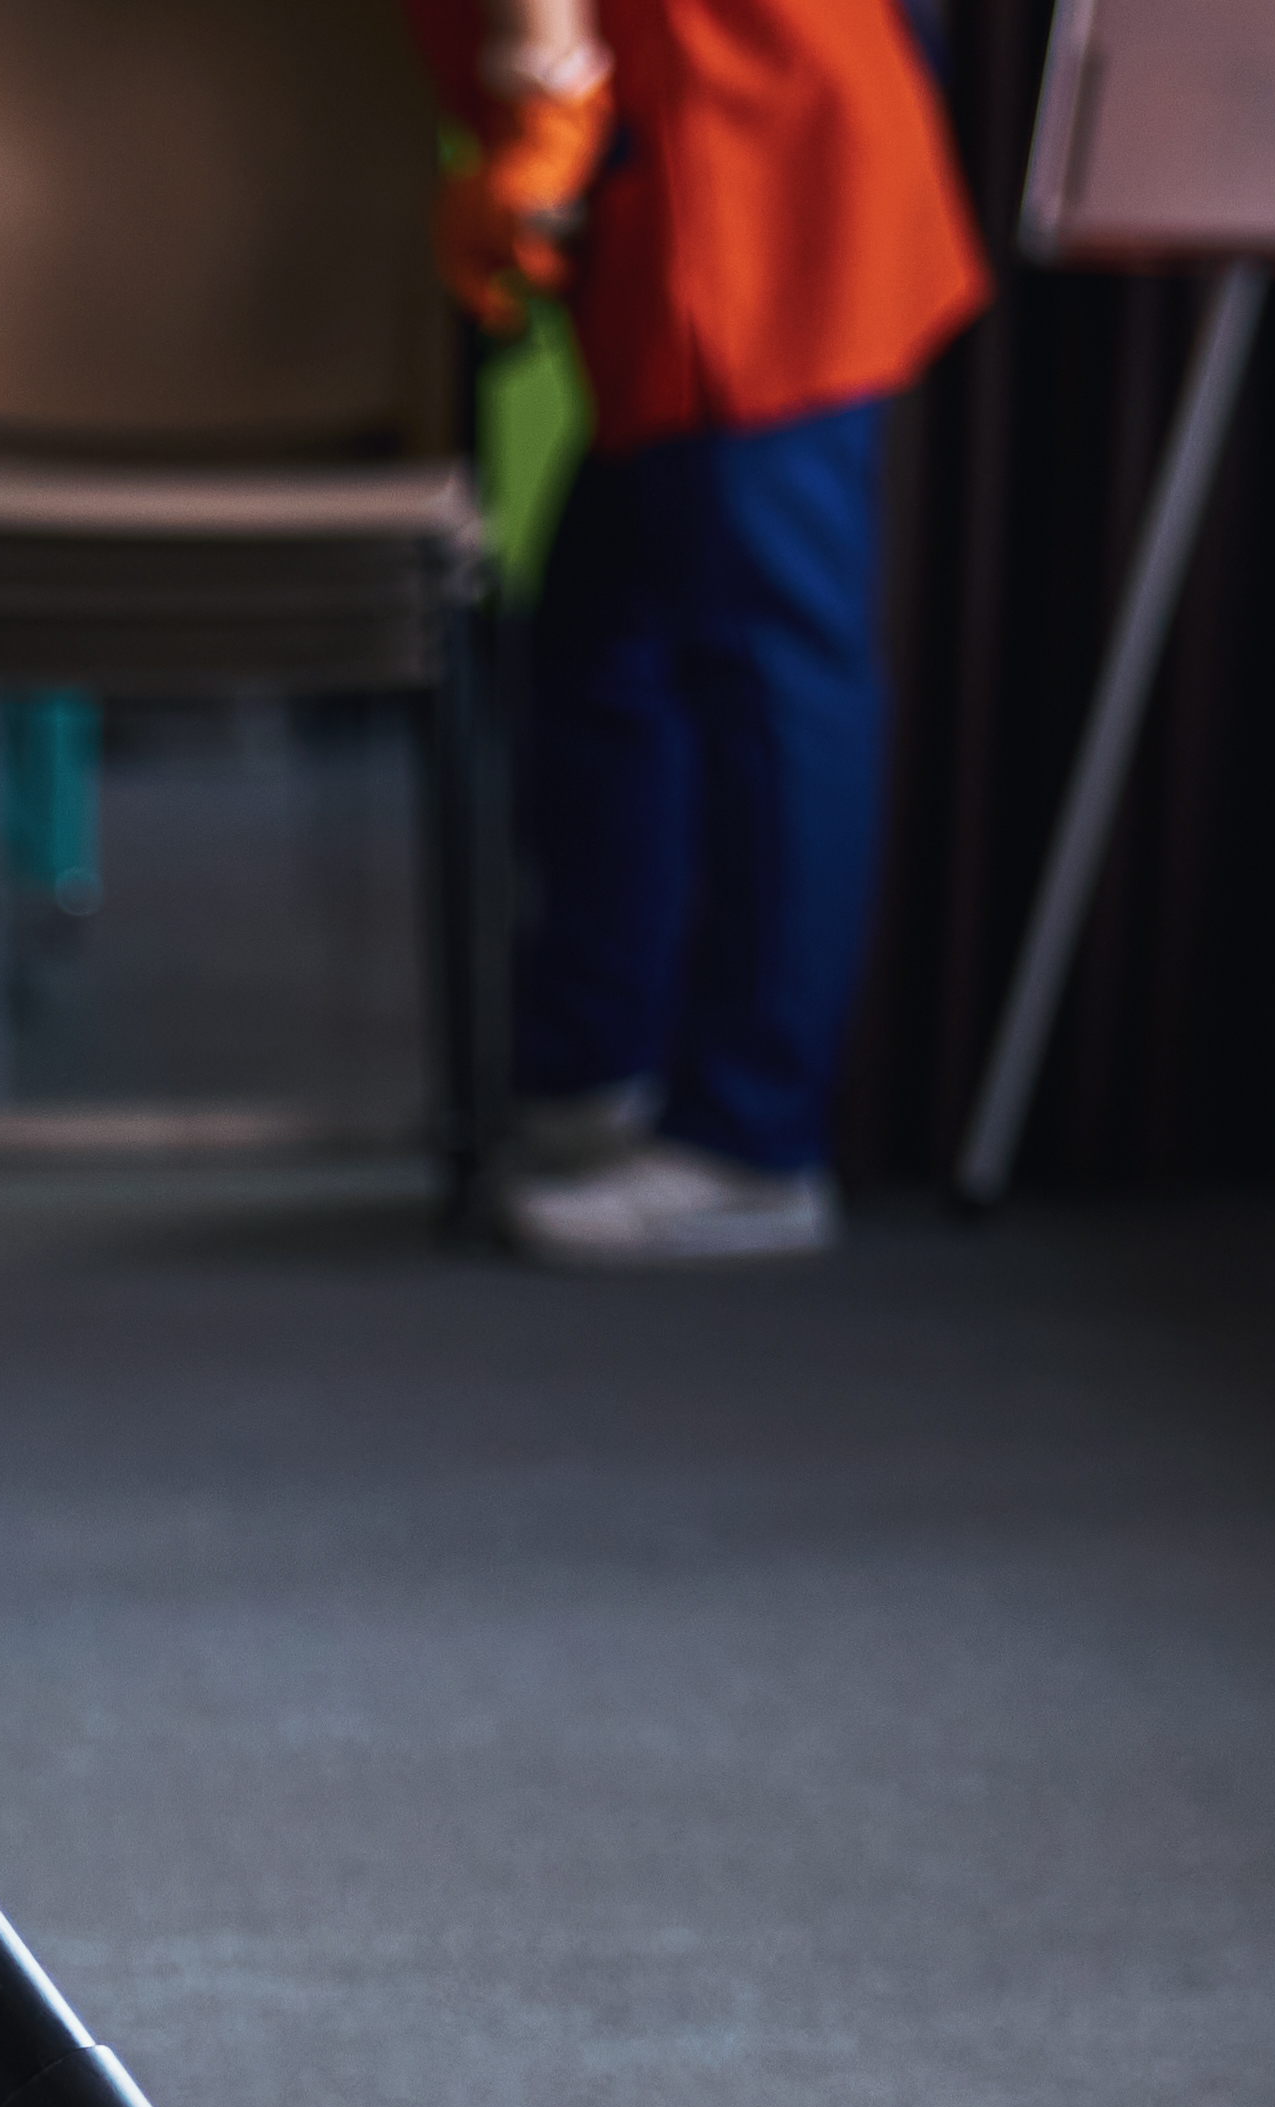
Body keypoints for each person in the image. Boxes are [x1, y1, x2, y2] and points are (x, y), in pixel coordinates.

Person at [424, 0, 978, 1268]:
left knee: (771, 660)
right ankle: (595, 1066)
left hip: (754, 177)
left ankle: (751, 1144)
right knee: (607, 643)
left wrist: (543, 95)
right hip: (692, 162)